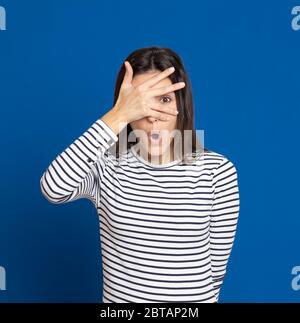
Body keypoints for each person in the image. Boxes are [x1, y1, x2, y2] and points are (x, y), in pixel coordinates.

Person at [40, 46, 240, 303]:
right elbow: (53, 188)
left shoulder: (218, 172)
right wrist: (118, 115)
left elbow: (215, 273)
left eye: (165, 100)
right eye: (140, 104)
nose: (152, 117)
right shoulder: (107, 166)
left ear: (182, 103)